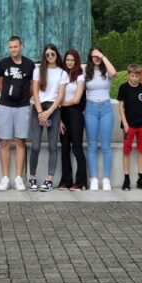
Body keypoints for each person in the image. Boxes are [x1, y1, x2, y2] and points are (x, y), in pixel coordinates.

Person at [0, 36, 36, 191]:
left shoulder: (29, 65)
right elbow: (0, 83)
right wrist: (5, 95)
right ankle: (5, 177)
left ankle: (18, 177)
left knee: (20, 141)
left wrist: (25, 97)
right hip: (5, 106)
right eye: (10, 47)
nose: (13, 49)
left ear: (21, 46)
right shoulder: (3, 63)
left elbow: (32, 86)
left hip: (23, 106)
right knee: (5, 141)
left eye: (15, 46)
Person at [29, 44, 66, 192]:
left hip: (53, 110)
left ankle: (49, 179)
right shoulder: (38, 71)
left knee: (52, 146)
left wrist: (48, 113)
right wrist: (40, 113)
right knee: (36, 146)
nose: (50, 56)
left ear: (57, 54)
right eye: (47, 54)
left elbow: (60, 96)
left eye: (52, 54)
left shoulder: (62, 73)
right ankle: (32, 177)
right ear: (44, 57)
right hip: (38, 108)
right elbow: (35, 93)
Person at [84, 47, 117, 191]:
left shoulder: (106, 71)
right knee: (91, 145)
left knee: (106, 145)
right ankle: (93, 178)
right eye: (93, 56)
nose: (96, 58)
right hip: (90, 108)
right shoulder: (86, 71)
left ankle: (106, 178)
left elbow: (114, 73)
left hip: (106, 108)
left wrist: (102, 56)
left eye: (98, 56)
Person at [118, 64, 142, 191]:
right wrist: (125, 124)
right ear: (128, 75)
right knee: (126, 152)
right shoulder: (123, 88)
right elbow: (121, 107)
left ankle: (140, 179)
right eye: (132, 75)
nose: (135, 78)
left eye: (137, 76)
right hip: (129, 126)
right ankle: (126, 179)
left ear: (140, 76)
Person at [58, 49, 86, 191]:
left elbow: (76, 99)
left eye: (72, 60)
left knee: (77, 148)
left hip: (75, 114)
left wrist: (59, 104)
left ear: (76, 62)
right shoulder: (61, 74)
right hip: (62, 115)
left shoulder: (80, 75)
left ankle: (81, 182)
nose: (69, 62)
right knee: (64, 149)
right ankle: (66, 181)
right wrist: (58, 117)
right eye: (67, 60)